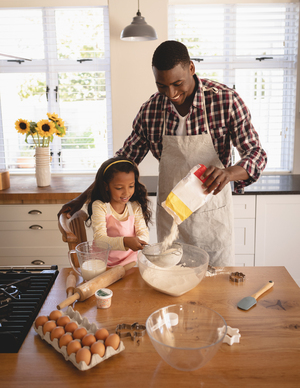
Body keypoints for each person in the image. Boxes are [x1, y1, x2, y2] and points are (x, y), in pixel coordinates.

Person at [59, 40, 267, 266]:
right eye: (162, 85)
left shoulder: (225, 101)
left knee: (215, 288)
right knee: (173, 280)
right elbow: (120, 164)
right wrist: (82, 198)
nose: (171, 93)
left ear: (191, 69)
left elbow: (256, 154)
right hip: (171, 217)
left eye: (178, 83)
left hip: (212, 216)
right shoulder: (152, 110)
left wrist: (229, 173)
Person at [86, 157, 151, 267]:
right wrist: (125, 242)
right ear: (106, 186)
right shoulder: (100, 206)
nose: (126, 192)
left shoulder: (135, 206)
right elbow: (99, 240)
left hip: (129, 263)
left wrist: (141, 241)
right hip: (103, 263)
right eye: (119, 188)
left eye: (131, 186)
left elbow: (143, 233)